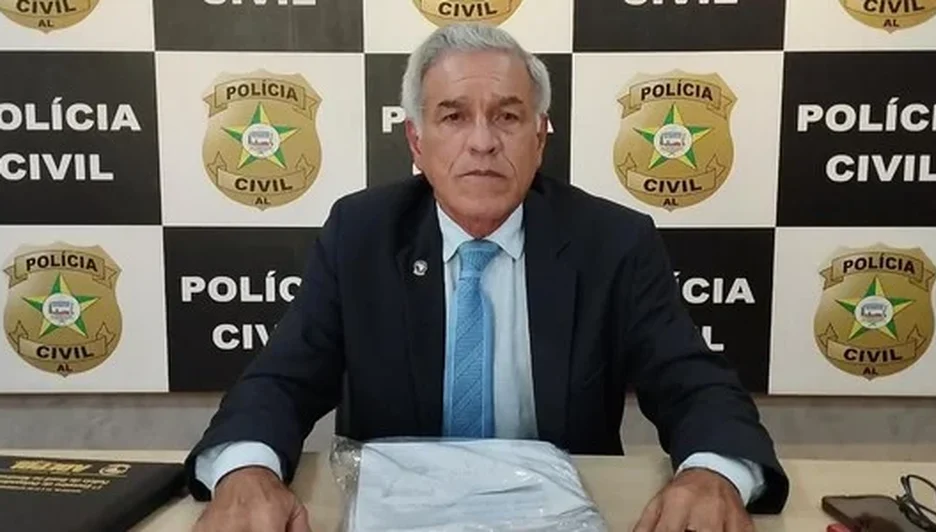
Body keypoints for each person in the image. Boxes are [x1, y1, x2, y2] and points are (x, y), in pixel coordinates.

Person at [186, 22, 789, 532]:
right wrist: (246, 470)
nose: (482, 142)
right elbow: (281, 380)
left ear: (539, 137)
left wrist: (712, 472)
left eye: (507, 116)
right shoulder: (361, 235)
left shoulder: (613, 242)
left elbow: (694, 385)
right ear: (416, 141)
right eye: (453, 116)